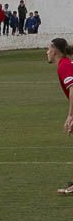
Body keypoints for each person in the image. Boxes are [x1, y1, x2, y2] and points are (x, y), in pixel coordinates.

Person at [48, 38, 73, 195]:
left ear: (55, 50)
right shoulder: (66, 63)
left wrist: (70, 115)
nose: (47, 52)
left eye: (48, 49)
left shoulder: (63, 65)